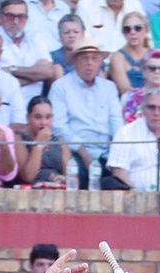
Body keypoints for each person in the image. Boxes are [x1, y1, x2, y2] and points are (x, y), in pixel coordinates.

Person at [49, 36, 122, 182]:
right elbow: (59, 127)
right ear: (75, 61)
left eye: (94, 58)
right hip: (75, 153)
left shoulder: (109, 87)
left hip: (108, 153)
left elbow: (117, 123)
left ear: (100, 62)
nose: (90, 63)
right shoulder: (60, 87)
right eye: (85, 58)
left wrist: (118, 153)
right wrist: (83, 153)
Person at [107, 85, 160, 187]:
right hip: (136, 194)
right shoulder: (125, 133)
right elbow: (119, 173)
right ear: (143, 109)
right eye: (151, 107)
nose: (156, 113)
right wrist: (139, 193)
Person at [0, 0, 60, 105]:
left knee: (58, 69)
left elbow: (48, 72)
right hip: (5, 104)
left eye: (21, 16)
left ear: (26, 19)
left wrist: (12, 70)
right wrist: (35, 76)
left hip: (36, 107)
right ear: (0, 17)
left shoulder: (35, 38)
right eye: (10, 16)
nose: (16, 21)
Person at [14, 92, 72, 184]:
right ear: (28, 118)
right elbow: (28, 177)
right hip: (30, 190)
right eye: (38, 117)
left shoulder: (59, 142)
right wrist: (39, 144)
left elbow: (71, 177)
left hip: (56, 189)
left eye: (48, 117)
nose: (44, 122)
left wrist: (62, 179)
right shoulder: (19, 139)